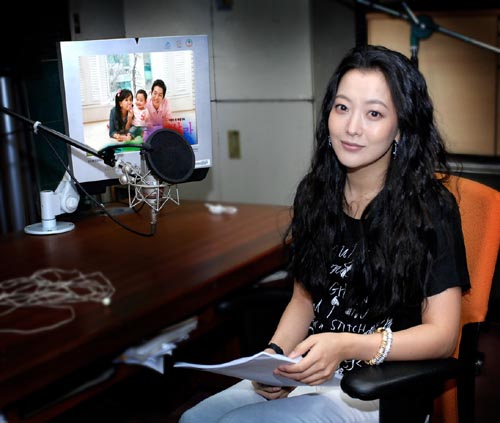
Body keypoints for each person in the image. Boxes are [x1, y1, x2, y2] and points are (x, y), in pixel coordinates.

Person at [179, 44, 471, 423]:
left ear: (401, 128)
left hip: (378, 389)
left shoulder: (430, 207)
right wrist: (274, 356)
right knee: (195, 419)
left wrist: (348, 345)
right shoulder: (315, 194)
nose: (352, 127)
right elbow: (304, 300)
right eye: (342, 107)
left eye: (374, 113)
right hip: (310, 370)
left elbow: (443, 336)